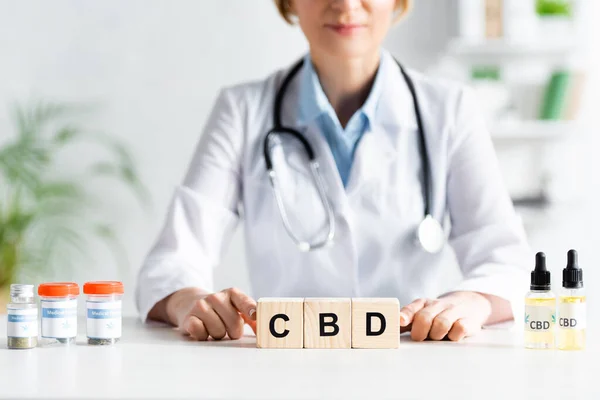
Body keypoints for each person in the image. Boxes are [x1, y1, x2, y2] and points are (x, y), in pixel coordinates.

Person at [136, 0, 530, 342]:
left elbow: (504, 261)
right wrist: (191, 301)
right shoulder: (242, 110)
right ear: (289, 2)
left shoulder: (449, 109)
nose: (345, 4)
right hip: (283, 366)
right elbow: (171, 262)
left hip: (408, 363)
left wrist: (473, 301)